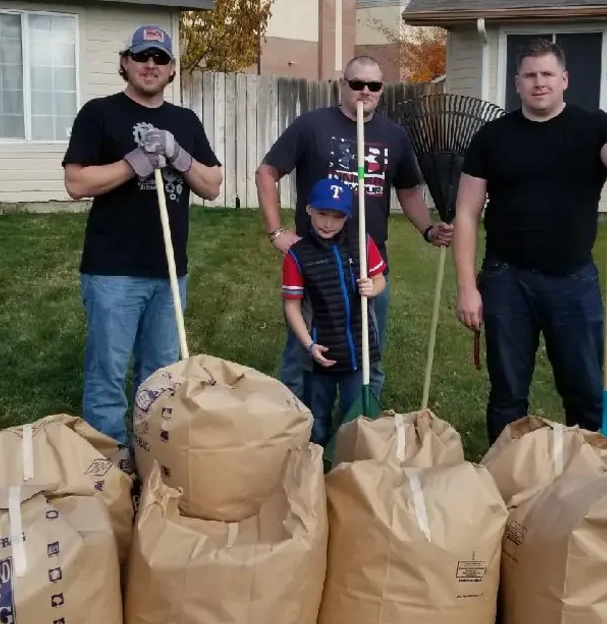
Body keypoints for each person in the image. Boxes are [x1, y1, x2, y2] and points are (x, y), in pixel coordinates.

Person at [453, 38, 607, 445]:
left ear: (564, 79)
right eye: (530, 75)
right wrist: (467, 288)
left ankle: (589, 474)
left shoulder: (595, 125)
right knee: (507, 393)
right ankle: (507, 479)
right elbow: (466, 213)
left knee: (584, 391)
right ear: (517, 82)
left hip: (573, 281)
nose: (538, 82)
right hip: (506, 279)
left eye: (547, 74)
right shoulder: (492, 137)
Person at [62, 23, 223, 449]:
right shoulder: (99, 113)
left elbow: (211, 184)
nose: (150, 65)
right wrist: (132, 163)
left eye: (160, 58)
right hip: (113, 270)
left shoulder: (184, 121)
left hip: (169, 273)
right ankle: (109, 467)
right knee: (108, 375)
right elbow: (76, 183)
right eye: (142, 56)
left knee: (162, 376)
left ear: (172, 70)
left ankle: (152, 455)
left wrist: (178, 153)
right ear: (125, 63)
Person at [256, 54, 452, 402]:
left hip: (369, 268)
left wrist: (427, 229)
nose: (365, 91)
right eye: (357, 83)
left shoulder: (394, 136)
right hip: (315, 265)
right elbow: (267, 172)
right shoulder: (311, 126)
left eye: (373, 85)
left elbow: (407, 190)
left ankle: (361, 432)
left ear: (381, 90)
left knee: (368, 357)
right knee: (303, 356)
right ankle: (295, 434)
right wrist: (276, 232)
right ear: (342, 85)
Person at [282, 177, 387, 447]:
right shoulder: (297, 255)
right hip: (321, 356)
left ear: (348, 217)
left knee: (356, 421)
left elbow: (380, 280)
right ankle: (315, 466)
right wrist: (309, 345)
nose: (328, 223)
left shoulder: (360, 242)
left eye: (337, 216)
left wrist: (372, 288)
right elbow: (291, 306)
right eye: (322, 214)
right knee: (316, 420)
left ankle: (348, 465)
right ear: (309, 211)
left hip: (359, 352)